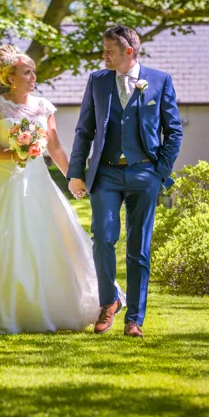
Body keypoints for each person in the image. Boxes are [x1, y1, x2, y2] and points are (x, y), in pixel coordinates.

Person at [0, 45, 123, 334]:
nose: (33, 77)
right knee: (3, 240)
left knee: (49, 237)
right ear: (11, 77)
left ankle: (58, 305)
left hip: (38, 180)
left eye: (33, 72)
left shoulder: (44, 106)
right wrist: (14, 154)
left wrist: (72, 177)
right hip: (5, 179)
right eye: (27, 72)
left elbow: (54, 147)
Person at [67, 25, 183, 338]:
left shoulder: (159, 80)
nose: (103, 56)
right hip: (104, 173)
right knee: (103, 237)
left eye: (109, 51)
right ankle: (109, 304)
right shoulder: (98, 80)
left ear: (128, 52)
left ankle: (135, 320)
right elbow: (84, 130)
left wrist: (159, 172)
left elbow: (174, 131)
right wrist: (76, 172)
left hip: (144, 173)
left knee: (139, 248)